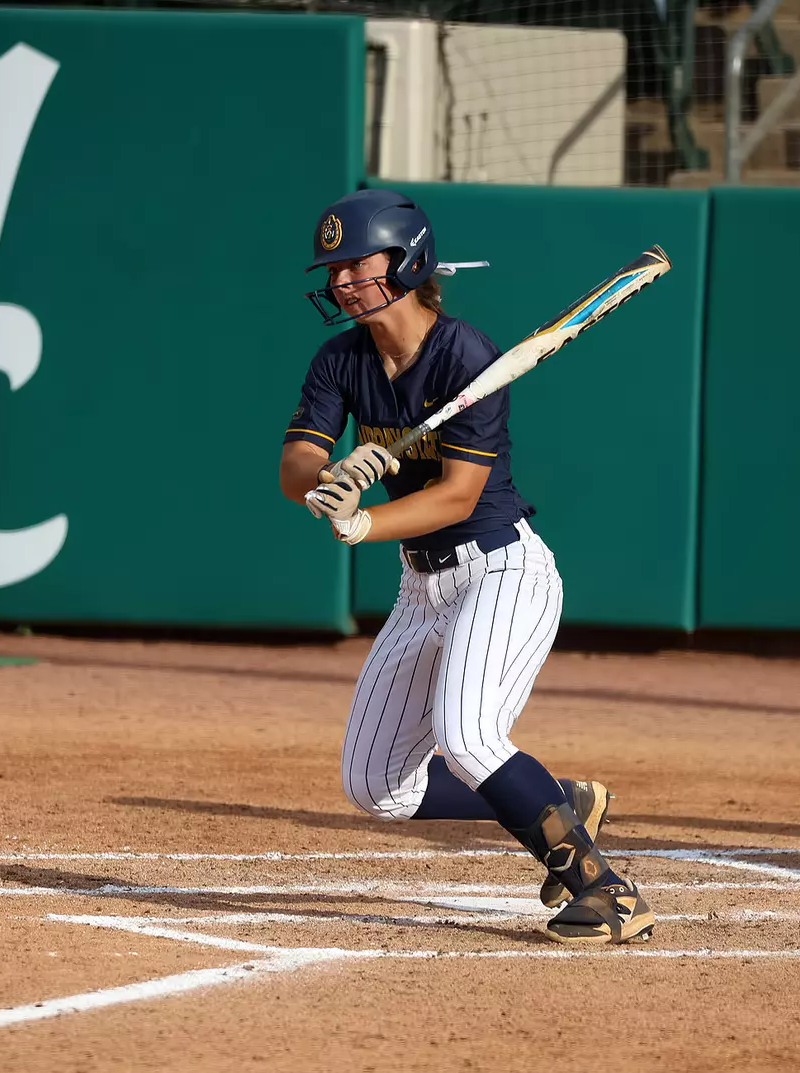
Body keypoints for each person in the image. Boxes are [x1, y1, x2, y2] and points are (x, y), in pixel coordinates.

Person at [279, 187, 653, 945]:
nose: (343, 280)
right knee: (376, 786)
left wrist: (363, 521)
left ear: (407, 259)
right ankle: (557, 798)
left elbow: (458, 496)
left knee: (471, 736)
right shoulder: (341, 358)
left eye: (359, 264)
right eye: (335, 269)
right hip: (422, 588)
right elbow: (296, 462)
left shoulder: (466, 355)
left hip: (500, 571)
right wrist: (328, 479)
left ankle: (607, 892)